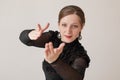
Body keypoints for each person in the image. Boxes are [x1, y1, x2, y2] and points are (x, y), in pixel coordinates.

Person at [19, 5, 90, 80]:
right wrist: (30, 34)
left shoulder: (79, 55)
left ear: (81, 27)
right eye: (64, 25)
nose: (68, 31)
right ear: (58, 24)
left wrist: (55, 61)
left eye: (74, 26)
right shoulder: (53, 38)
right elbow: (25, 40)